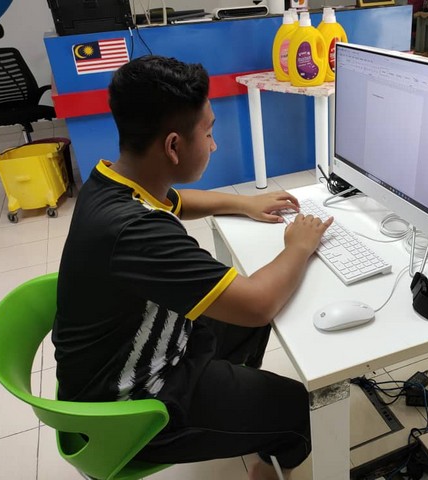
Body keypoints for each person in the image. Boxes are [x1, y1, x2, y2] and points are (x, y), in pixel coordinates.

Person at [53, 55, 333, 480]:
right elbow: (257, 304)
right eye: (209, 132)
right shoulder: (137, 232)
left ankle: (241, 413)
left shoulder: (112, 181)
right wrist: (300, 244)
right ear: (173, 146)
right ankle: (265, 455)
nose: (213, 144)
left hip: (127, 354)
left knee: (249, 319)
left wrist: (244, 203)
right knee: (299, 405)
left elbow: (178, 202)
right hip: (132, 405)